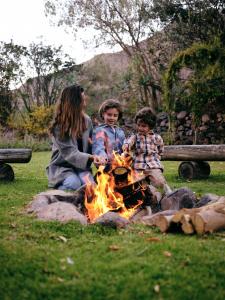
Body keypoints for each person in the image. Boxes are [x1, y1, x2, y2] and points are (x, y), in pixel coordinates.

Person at [46, 84, 104, 190]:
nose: (85, 101)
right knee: (74, 184)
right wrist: (91, 157)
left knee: (90, 187)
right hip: (62, 167)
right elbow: (70, 153)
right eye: (82, 99)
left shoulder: (87, 121)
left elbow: (92, 144)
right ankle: (59, 189)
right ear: (74, 102)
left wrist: (99, 155)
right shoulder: (59, 126)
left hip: (81, 168)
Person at [123, 107, 171, 198]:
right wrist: (126, 145)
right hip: (138, 166)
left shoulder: (156, 137)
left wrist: (158, 156)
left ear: (150, 126)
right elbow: (128, 141)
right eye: (139, 125)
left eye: (144, 126)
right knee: (137, 184)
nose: (140, 128)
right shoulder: (135, 137)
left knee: (159, 180)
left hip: (152, 165)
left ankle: (168, 192)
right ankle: (146, 197)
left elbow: (161, 148)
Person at [92, 99, 126, 169]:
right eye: (109, 115)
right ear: (103, 114)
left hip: (121, 166)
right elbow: (98, 147)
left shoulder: (120, 132)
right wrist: (102, 157)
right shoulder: (100, 131)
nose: (112, 118)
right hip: (106, 167)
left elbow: (124, 147)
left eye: (115, 115)